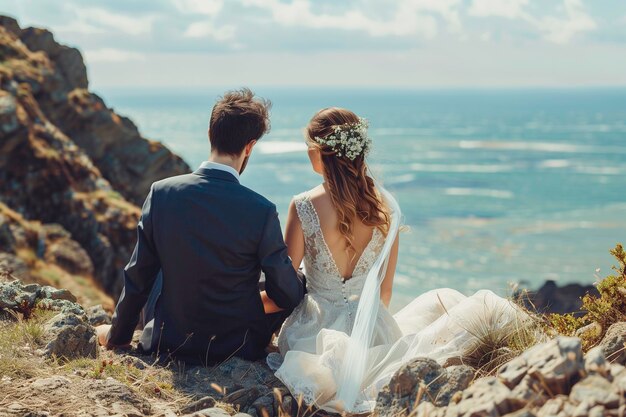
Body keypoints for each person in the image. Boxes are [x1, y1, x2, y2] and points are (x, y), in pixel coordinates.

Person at [270, 107, 523, 413]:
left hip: (314, 333)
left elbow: (284, 283)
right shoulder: (384, 208)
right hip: (375, 330)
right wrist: (369, 326)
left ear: (316, 153)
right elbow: (385, 292)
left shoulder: (303, 206)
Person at [95, 88, 305, 365]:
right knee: (287, 279)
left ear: (210, 134)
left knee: (158, 266)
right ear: (249, 146)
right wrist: (299, 277)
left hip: (167, 340)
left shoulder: (162, 193)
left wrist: (119, 336)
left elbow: (138, 276)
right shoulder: (261, 210)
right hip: (236, 348)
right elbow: (286, 294)